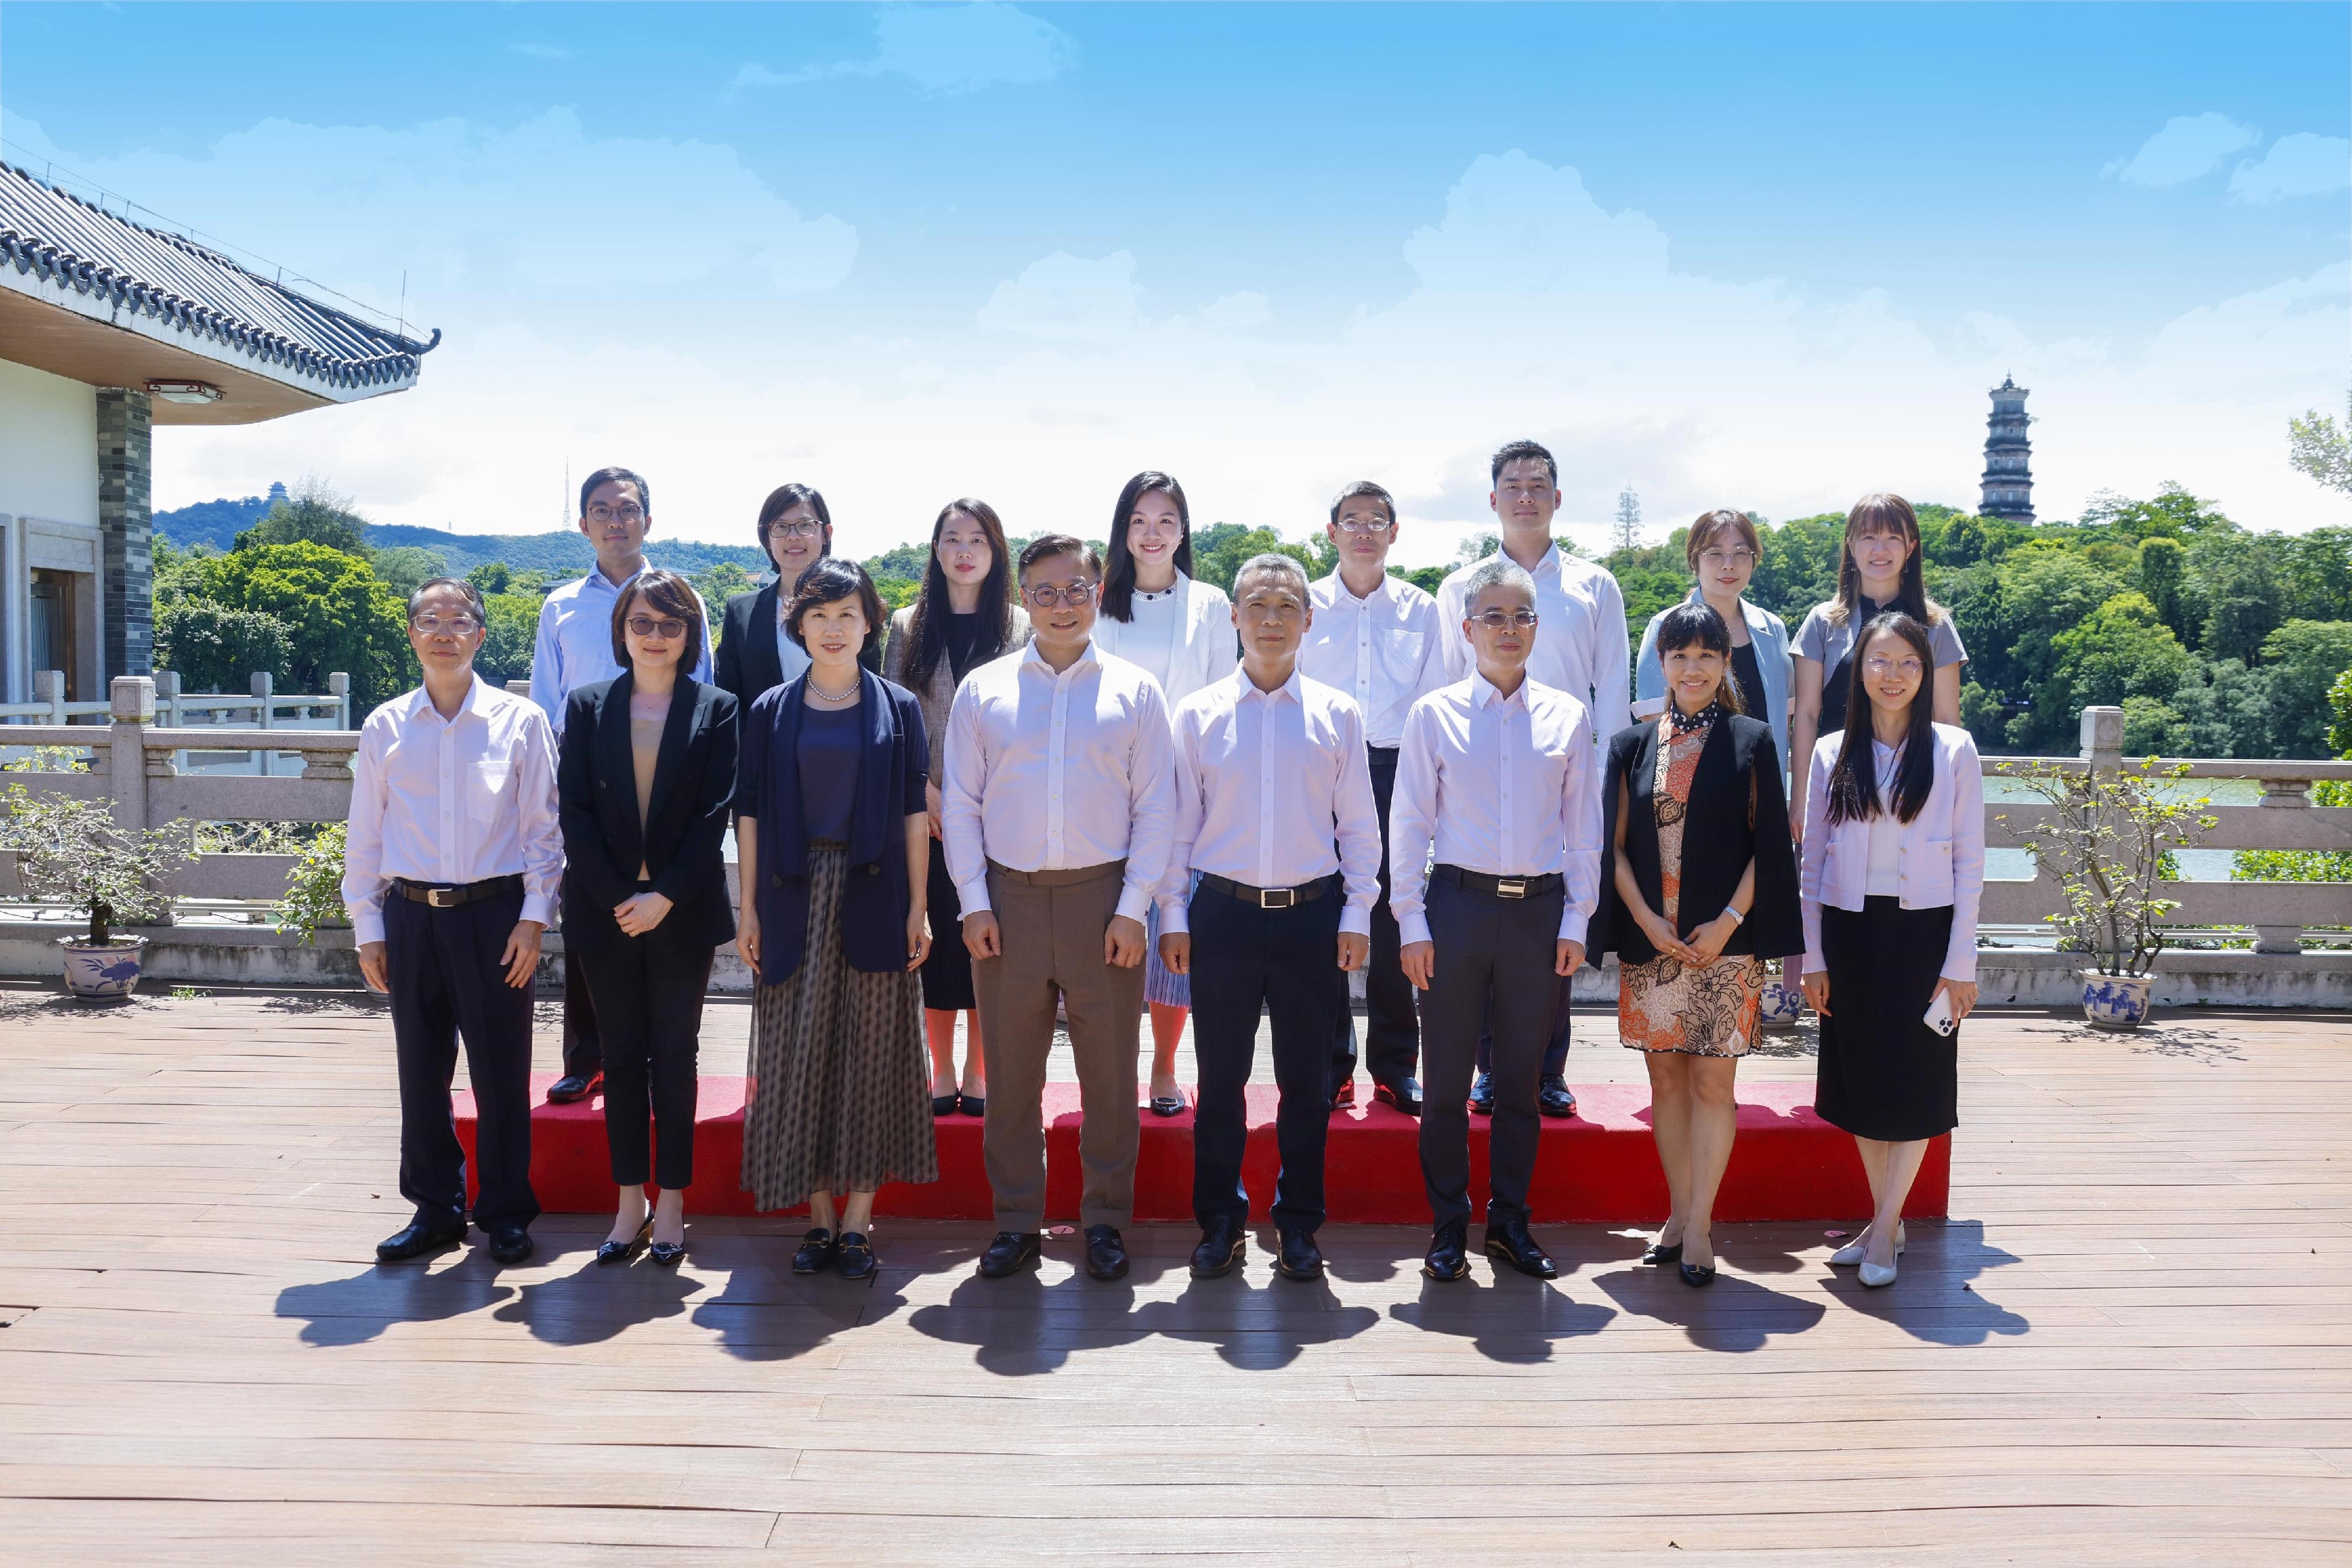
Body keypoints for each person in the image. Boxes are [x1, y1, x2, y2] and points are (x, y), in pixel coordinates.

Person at [943, 534, 1175, 1283]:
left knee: (1110, 1075)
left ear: (1097, 587)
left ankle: (1104, 1219)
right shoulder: (985, 690)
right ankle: (1016, 1221)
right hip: (1006, 903)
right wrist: (973, 903)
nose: (1061, 606)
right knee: (1011, 1076)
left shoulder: (1136, 691)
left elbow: (1156, 809)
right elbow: (963, 804)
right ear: (1023, 596)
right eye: (1043, 592)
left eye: (1075, 589)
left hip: (1103, 900)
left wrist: (1133, 907)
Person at [1160, 554, 1382, 1283]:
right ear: (1233, 617)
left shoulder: (1337, 715)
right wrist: (1172, 914)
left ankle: (1297, 1225)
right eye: (1256, 604)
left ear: (1308, 620)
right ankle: (1220, 1221)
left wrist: (1358, 911)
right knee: (1219, 1083)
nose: (1271, 618)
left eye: (1287, 605)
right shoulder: (1195, 715)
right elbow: (1176, 827)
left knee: (1306, 1086)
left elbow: (1358, 827)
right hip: (1218, 915)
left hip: (1312, 921)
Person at [1392, 557, 1602, 1283]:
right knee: (1446, 1085)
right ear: (1467, 627)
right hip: (1454, 908)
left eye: (1521, 617)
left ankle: (1509, 1225)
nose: (1507, 631)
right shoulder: (1434, 715)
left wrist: (1578, 918)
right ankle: (1448, 1227)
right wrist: (1410, 924)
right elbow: (1410, 825)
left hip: (1539, 916)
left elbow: (1584, 831)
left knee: (1518, 1085)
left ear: (1537, 629)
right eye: (1493, 617)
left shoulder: (1567, 716)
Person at [348, 577, 562, 1268]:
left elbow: (543, 832)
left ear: (481, 633)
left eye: (459, 619)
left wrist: (533, 919)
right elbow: (366, 834)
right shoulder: (384, 724)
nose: (444, 631)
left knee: (502, 1072)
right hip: (409, 915)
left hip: (495, 916)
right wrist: (366, 925)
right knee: (421, 1070)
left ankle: (503, 1211)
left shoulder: (520, 721)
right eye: (429, 620)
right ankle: (436, 1210)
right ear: (410, 634)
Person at [1592, 603, 1802, 1288]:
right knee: (1665, 1080)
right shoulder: (1631, 744)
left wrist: (1728, 924)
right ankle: (1677, 1216)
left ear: (1725, 664)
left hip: (1723, 945)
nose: (1692, 669)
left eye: (1706, 656)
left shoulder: (1752, 740)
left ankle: (1702, 1225)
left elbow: (1767, 846)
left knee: (1714, 1082)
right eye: (1679, 657)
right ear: (1662, 664)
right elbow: (1613, 849)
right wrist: (1647, 923)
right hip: (1653, 941)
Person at [735, 560, 934, 1282]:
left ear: (871, 623)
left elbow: (915, 813)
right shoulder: (768, 711)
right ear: (799, 624)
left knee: (872, 1054)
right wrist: (748, 907)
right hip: (793, 893)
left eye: (847, 614)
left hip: (875, 892)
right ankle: (817, 1217)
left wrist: (920, 905)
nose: (833, 628)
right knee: (796, 1056)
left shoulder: (898, 707)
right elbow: (749, 813)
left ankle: (858, 1221)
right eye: (819, 615)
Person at [1435, 439, 1629, 1121]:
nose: (1525, 495)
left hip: (1562, 775)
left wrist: (1605, 783)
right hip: (1480, 782)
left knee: (1555, 927)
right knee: (1485, 928)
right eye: (1512, 484)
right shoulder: (1460, 586)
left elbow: (1612, 690)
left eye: (1538, 484)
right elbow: (1442, 686)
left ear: (1556, 496)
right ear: (1493, 499)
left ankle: (1549, 1069)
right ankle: (1491, 1071)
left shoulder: (1594, 585)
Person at [556, 569, 739, 1268]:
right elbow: (572, 810)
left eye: (670, 624)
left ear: (690, 634)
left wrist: (662, 894)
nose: (655, 636)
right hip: (606, 910)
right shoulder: (587, 704)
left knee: (675, 1055)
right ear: (621, 631)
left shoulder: (716, 707)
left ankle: (672, 1201)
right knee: (621, 1057)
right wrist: (615, 897)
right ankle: (628, 1200)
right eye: (642, 623)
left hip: (681, 908)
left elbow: (713, 812)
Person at [1798, 611, 1985, 1288]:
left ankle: (1883, 1229)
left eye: (1908, 662)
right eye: (1880, 661)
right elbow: (1811, 864)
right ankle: (1888, 1220)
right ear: (1860, 671)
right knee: (1859, 1081)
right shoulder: (1830, 752)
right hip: (1850, 934)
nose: (1894, 675)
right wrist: (1812, 957)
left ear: (1924, 670)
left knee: (1912, 1083)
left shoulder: (1954, 749)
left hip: (1923, 935)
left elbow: (1970, 863)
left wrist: (1959, 966)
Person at [530, 466, 715, 1106]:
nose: (616, 521)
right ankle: (587, 1056)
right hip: (587, 788)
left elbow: (706, 690)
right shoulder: (559, 605)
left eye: (628, 509)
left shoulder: (679, 597)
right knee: (592, 920)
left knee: (665, 926)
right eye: (602, 510)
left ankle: (658, 1056)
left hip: (665, 788)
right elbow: (545, 702)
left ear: (648, 521)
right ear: (583, 524)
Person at [1088, 471, 1237, 1117]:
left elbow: (1219, 697)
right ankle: (1113, 1059)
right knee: (1108, 926)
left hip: (1183, 789)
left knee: (1171, 925)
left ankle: (1165, 1061)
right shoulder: (1094, 601)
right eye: (1140, 521)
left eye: (1166, 521)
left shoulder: (1208, 603)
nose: (1153, 534)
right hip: (1103, 789)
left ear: (1183, 531)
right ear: (1123, 529)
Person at [884, 499, 1032, 1122]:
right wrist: (924, 789)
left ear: (996, 551)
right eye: (952, 539)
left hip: (1000, 815)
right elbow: (892, 717)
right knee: (936, 943)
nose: (964, 550)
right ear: (936, 550)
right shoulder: (906, 622)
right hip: (928, 813)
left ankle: (980, 1068)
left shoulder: (1021, 626)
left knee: (990, 944)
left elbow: (1031, 723)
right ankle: (938, 1066)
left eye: (977, 539)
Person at [1299, 479, 1442, 1116]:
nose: (1364, 531)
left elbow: (1435, 699)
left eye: (1376, 521)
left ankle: (1392, 1064)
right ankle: (1331, 1064)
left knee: (1389, 917)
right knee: (1323, 909)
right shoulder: (1304, 603)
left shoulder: (1422, 608)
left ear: (1393, 533)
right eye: (1351, 521)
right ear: (1331, 533)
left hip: (1393, 767)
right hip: (1317, 766)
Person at [1788, 493, 1968, 840]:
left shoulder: (1936, 625)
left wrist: (1951, 798)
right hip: (1837, 788)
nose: (1880, 550)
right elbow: (1808, 715)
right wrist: (1800, 797)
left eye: (1893, 539)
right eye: (1869, 537)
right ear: (1851, 545)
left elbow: (1947, 720)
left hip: (1914, 789)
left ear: (1911, 547)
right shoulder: (1823, 622)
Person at [1634, 509, 1794, 773]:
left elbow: (1786, 712)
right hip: (1694, 786)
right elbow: (1653, 718)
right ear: (1694, 561)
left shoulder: (1772, 628)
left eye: (1741, 553)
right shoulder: (1666, 626)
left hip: (1765, 784)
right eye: (1715, 554)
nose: (1728, 564)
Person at [716, 482, 880, 708]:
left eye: (805, 525)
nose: (793, 537)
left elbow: (873, 683)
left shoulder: (854, 606)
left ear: (826, 534)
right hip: (762, 741)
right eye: (781, 527)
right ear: (767, 538)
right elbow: (729, 695)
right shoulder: (741, 612)